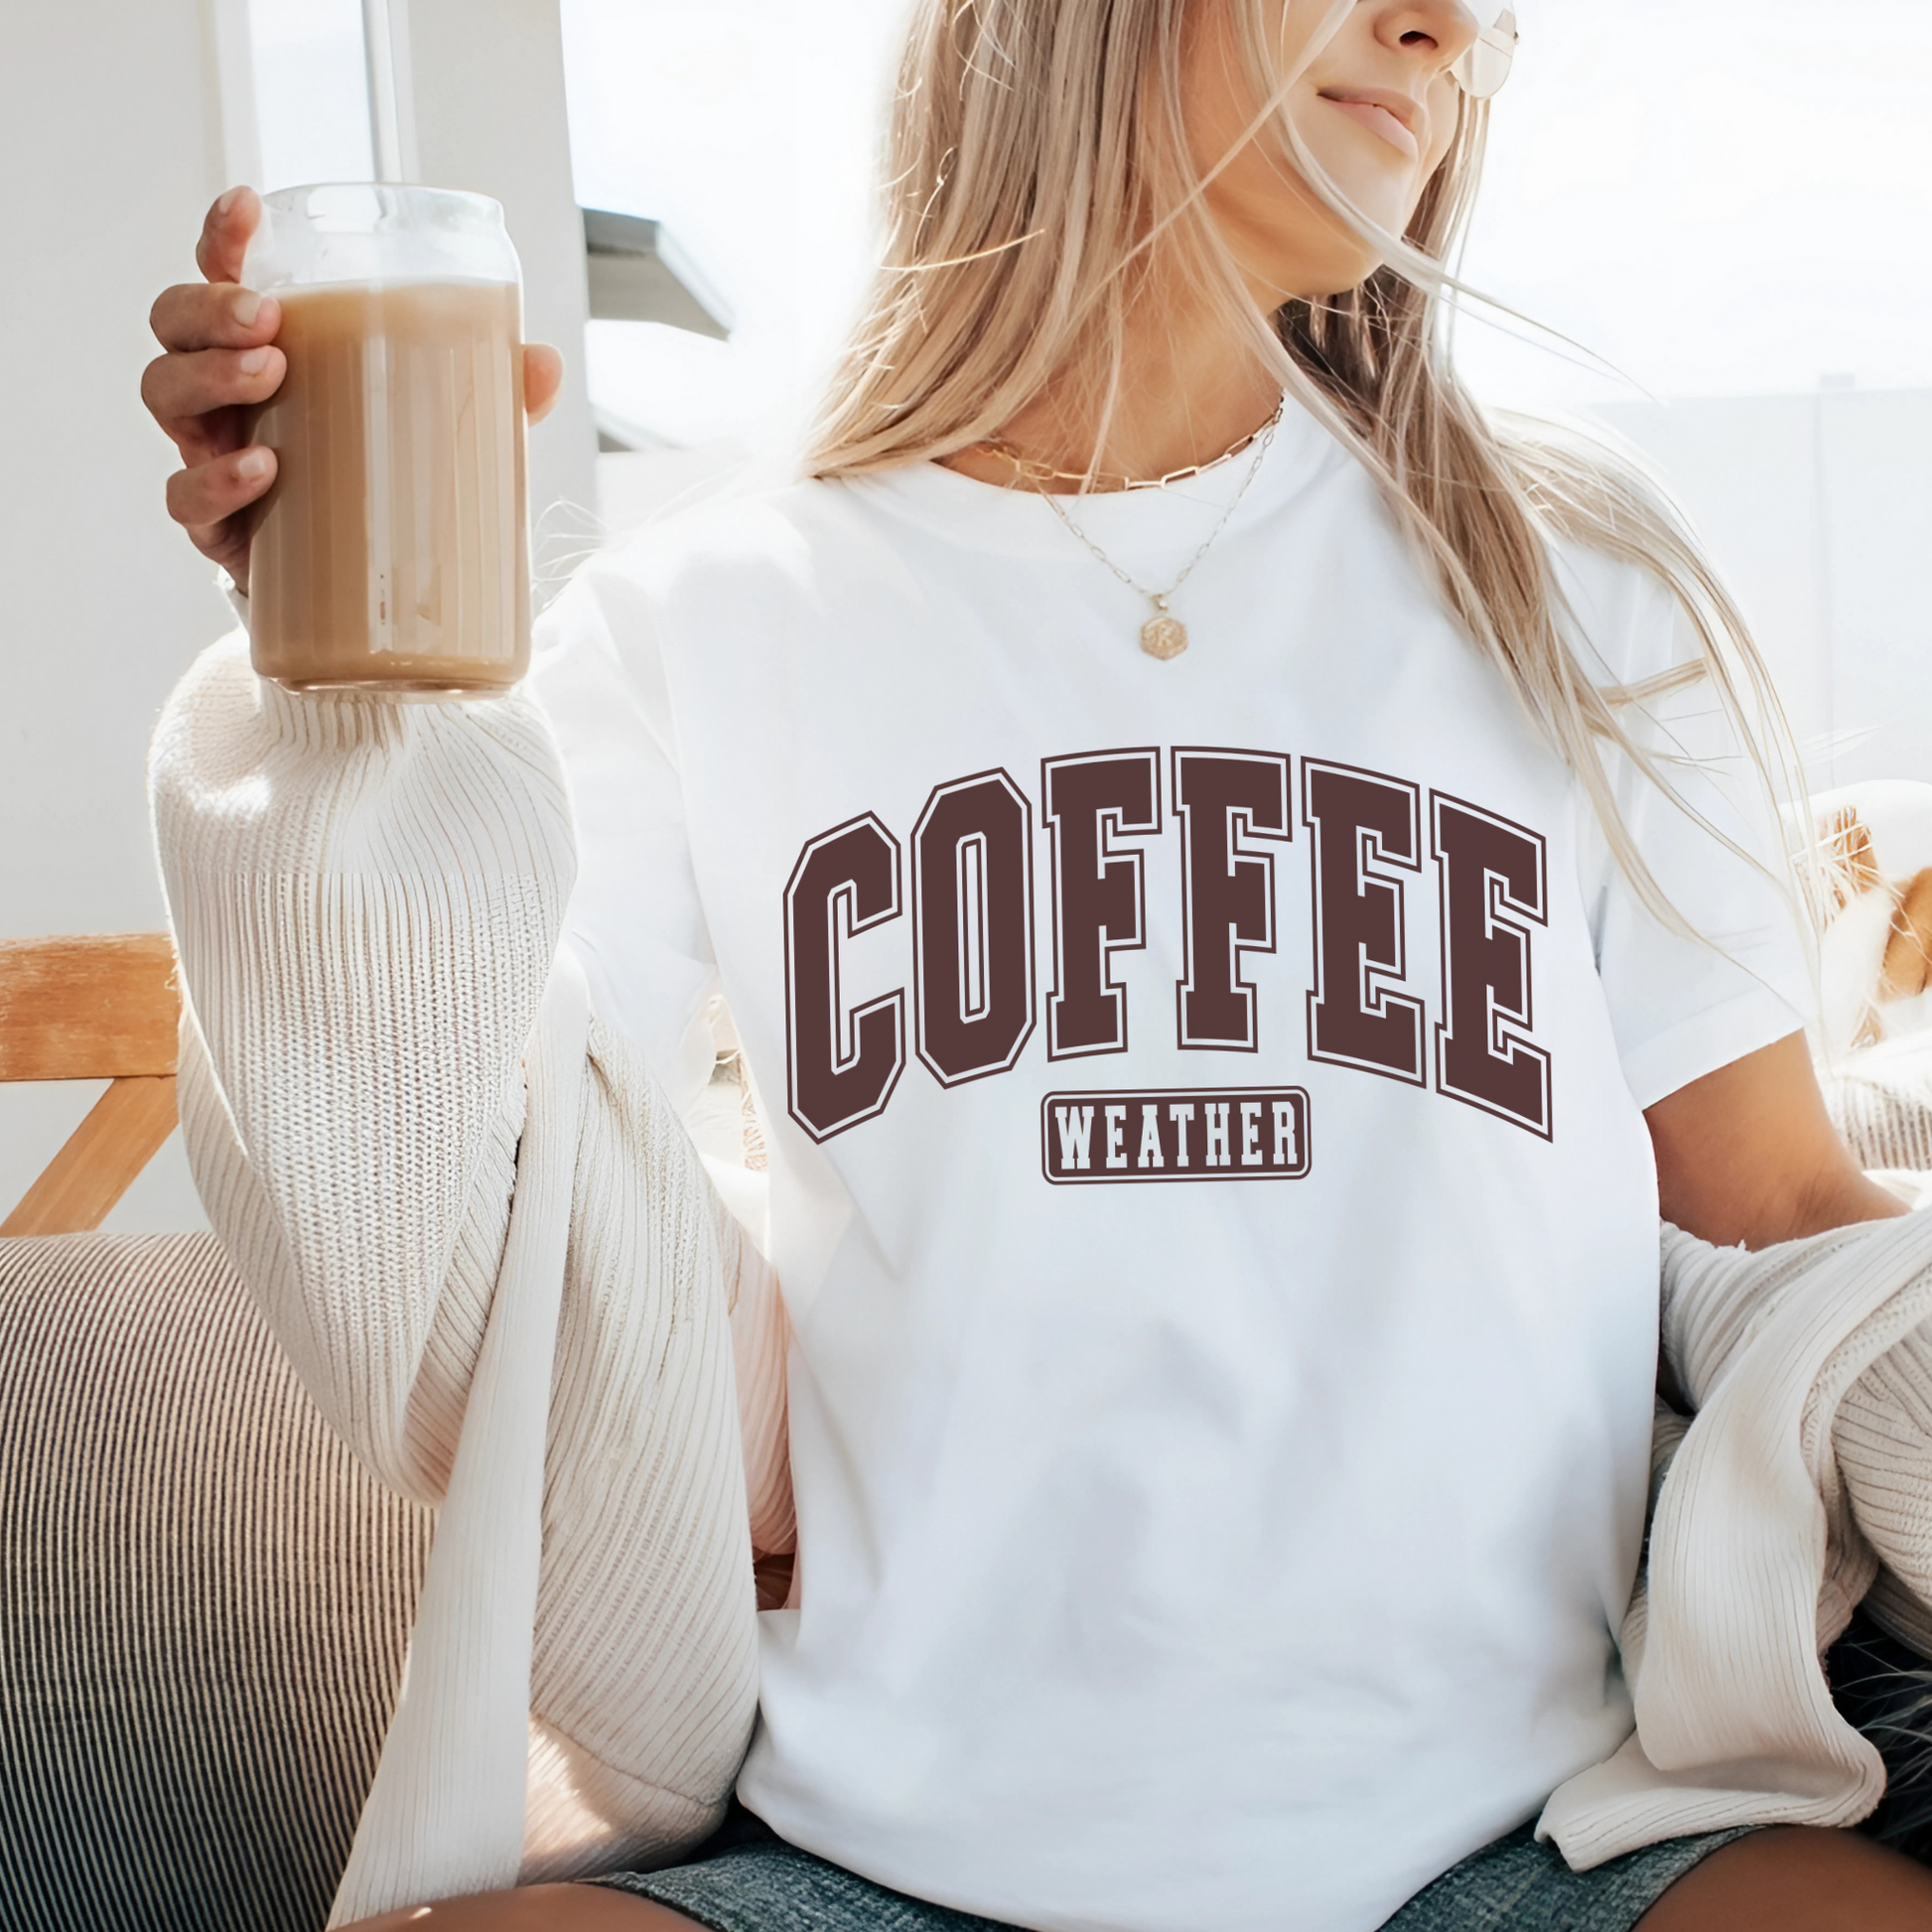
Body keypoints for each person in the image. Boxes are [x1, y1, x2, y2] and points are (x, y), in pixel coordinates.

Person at [139, 1, 1932, 1928]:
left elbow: (1778, 1222)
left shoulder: (1573, 582)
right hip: (878, 1865)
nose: (1442, 26)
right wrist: (360, 717)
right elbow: (459, 1252)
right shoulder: (704, 623)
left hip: (1517, 1852)